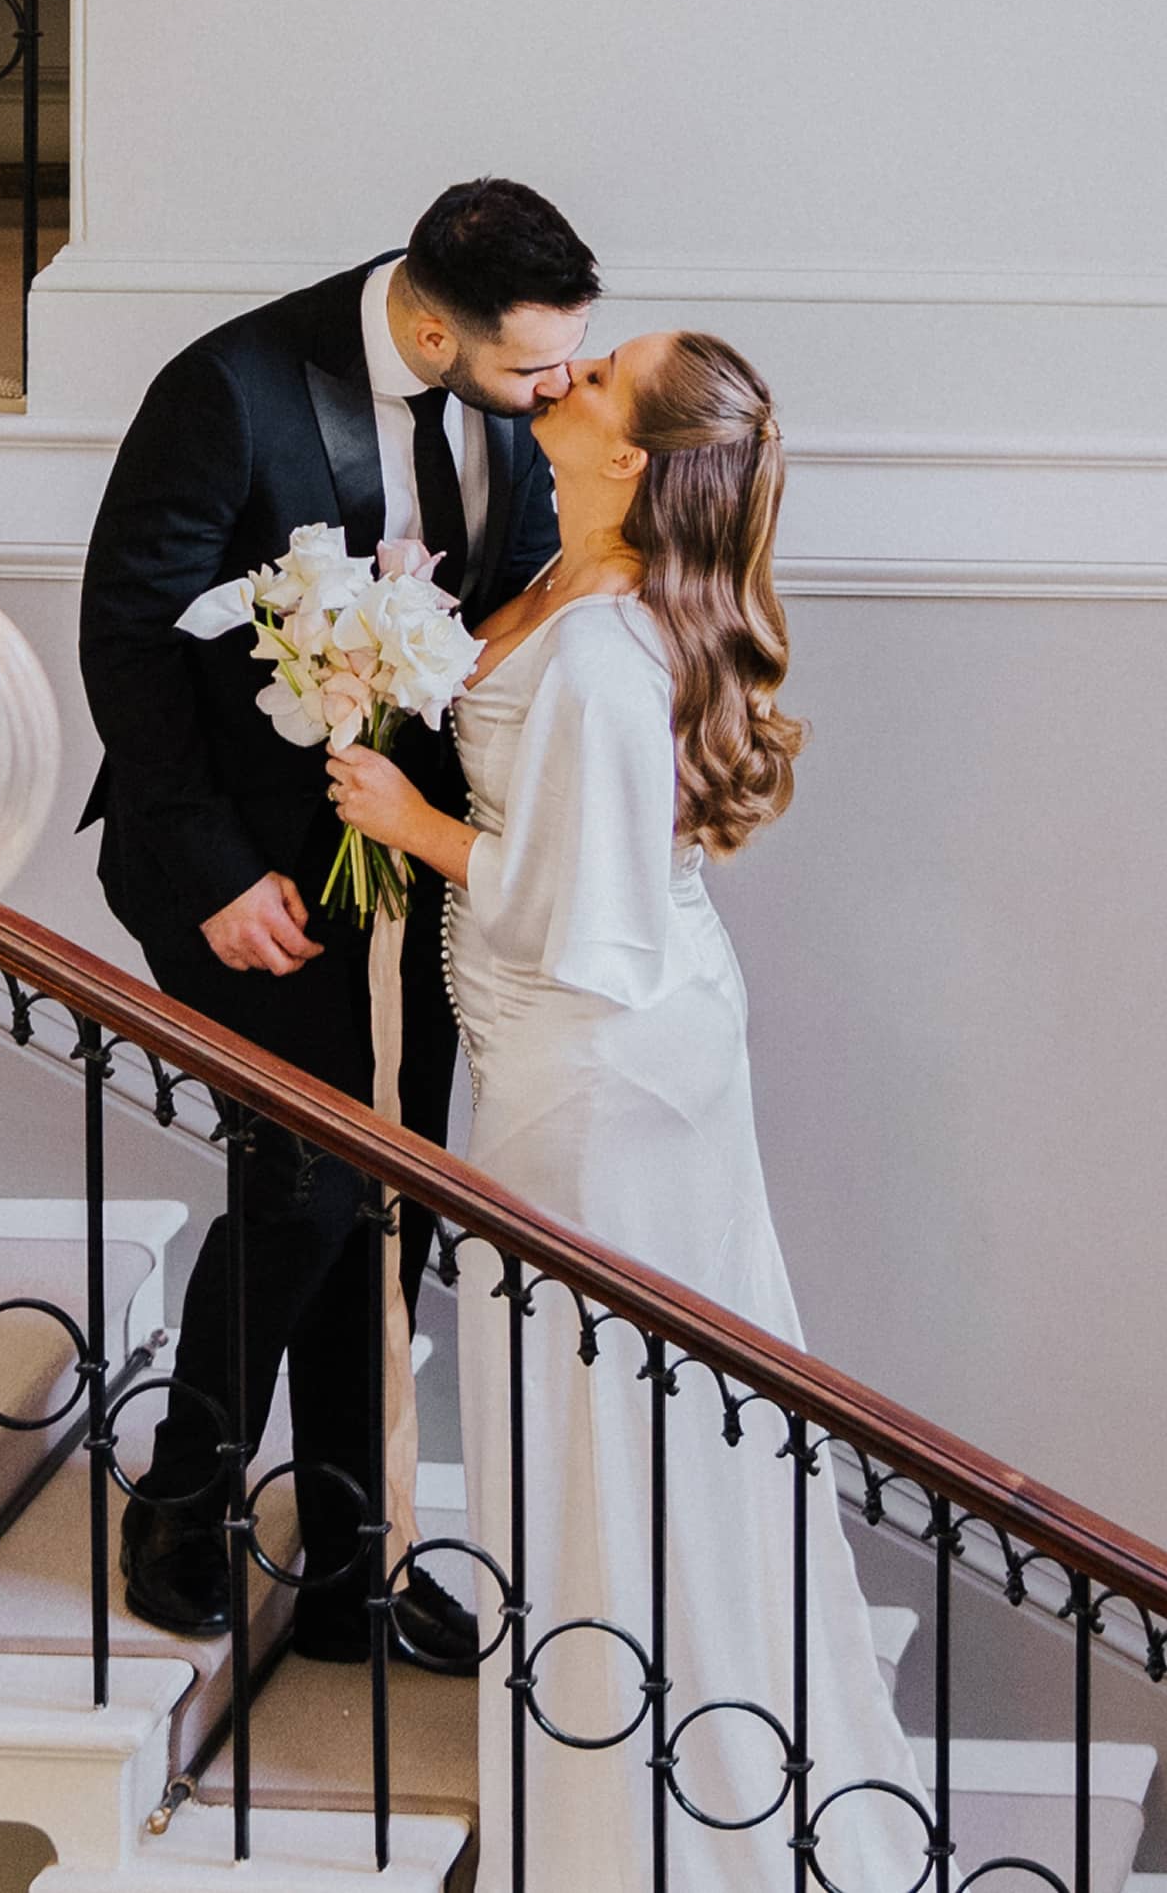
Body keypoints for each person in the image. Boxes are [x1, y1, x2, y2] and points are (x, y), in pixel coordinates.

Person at [322, 332, 928, 1888]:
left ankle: (651, 1818)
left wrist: (414, 820)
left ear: (634, 460)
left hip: (597, 1069)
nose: (567, 376)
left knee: (609, 1423)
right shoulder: (586, 578)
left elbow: (562, 906)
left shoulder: (599, 642)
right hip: (618, 1037)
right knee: (627, 1408)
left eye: (599, 380)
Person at [77, 178, 597, 1671]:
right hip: (247, 872)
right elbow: (132, 628)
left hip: (411, 859)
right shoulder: (231, 389)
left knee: (393, 1197)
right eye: (529, 367)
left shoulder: (514, 398)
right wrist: (215, 871)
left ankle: (351, 1563)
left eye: (568, 360)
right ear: (432, 326)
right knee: (305, 1190)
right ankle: (183, 1502)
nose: (558, 389)